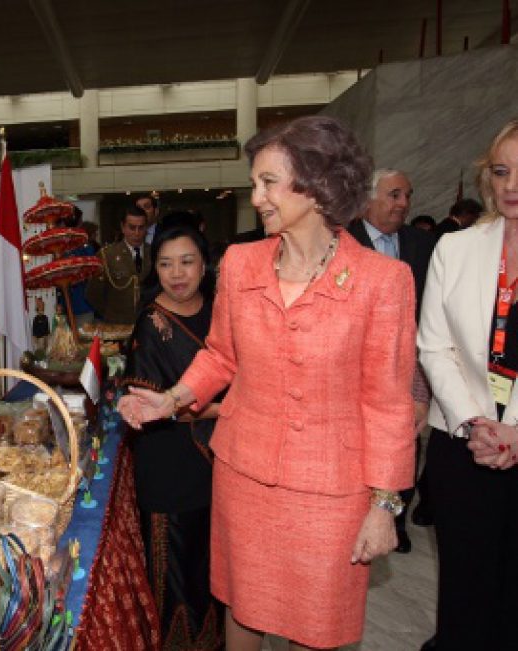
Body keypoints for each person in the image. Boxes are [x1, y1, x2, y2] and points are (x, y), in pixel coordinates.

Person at [119, 116, 417, 651]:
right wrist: (171, 400)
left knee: (317, 624)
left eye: (268, 182)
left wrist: (384, 505)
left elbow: (389, 403)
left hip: (333, 488)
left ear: (317, 182)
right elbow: (220, 356)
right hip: (244, 475)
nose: (256, 197)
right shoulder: (240, 263)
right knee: (245, 607)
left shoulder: (382, 282)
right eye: (255, 182)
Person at [416, 118, 518, 651]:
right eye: (501, 171)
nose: (510, 185)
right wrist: (476, 421)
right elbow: (433, 345)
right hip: (464, 442)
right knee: (464, 589)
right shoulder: (456, 249)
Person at [122, 223, 222, 650]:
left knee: (210, 561)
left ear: (205, 265)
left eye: (186, 262)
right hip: (169, 462)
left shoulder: (223, 312)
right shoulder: (151, 322)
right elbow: (155, 405)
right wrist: (232, 410)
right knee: (172, 563)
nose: (177, 273)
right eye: (165, 263)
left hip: (221, 460)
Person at [348, 168, 436, 553]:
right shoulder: (341, 240)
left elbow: (432, 314)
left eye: (407, 195)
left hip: (405, 366)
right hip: (353, 369)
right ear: (367, 199)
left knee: (404, 441)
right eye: (394, 195)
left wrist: (421, 384)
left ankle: (395, 520)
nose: (404, 204)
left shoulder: (423, 244)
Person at [86, 204, 150, 324]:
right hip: (117, 326)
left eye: (141, 228)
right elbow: (93, 294)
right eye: (132, 227)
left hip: (147, 326)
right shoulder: (107, 255)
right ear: (123, 227)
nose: (137, 233)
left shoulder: (155, 253)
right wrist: (111, 314)